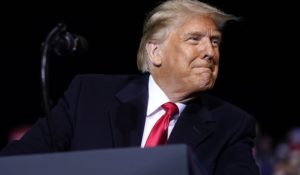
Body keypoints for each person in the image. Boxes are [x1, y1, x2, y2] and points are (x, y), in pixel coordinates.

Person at [0, 0, 260, 174]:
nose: (209, 52)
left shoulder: (231, 125)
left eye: (215, 42)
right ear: (155, 52)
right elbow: (15, 163)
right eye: (195, 39)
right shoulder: (89, 96)